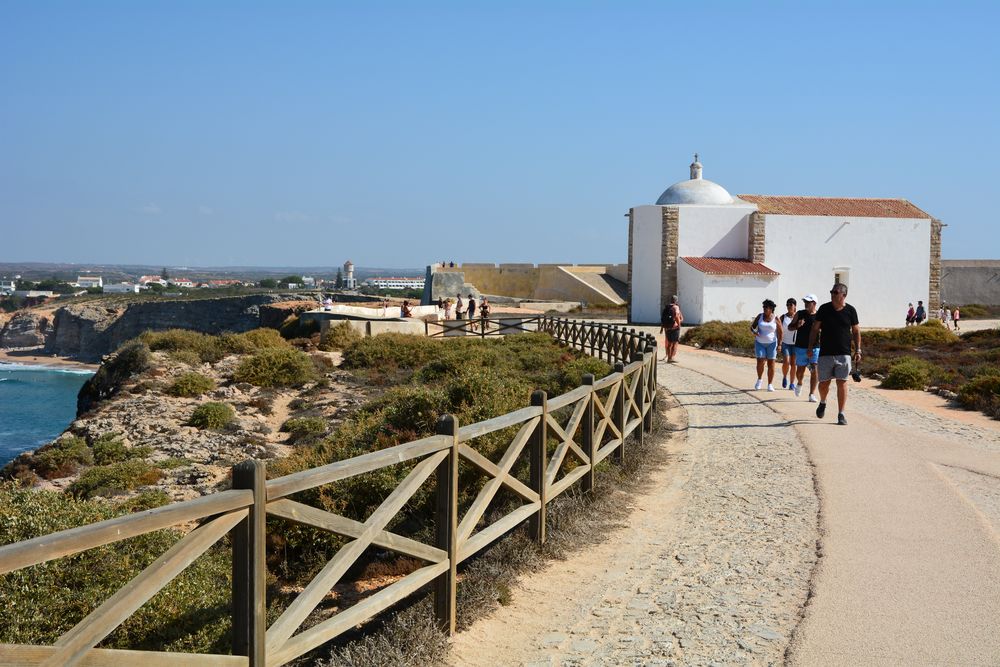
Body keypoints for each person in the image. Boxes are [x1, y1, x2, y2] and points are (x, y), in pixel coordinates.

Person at [808, 283, 861, 426]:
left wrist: (858, 350)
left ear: (844, 295)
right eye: (831, 292)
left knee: (842, 382)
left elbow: (856, 331)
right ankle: (823, 402)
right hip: (825, 353)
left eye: (835, 292)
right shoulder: (824, 309)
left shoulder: (851, 311)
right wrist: (810, 347)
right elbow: (815, 329)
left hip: (844, 354)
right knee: (823, 384)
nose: (832, 294)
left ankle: (841, 414)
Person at [789, 294, 820, 402]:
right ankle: (800, 383)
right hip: (801, 346)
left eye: (808, 302)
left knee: (814, 370)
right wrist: (797, 325)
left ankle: (811, 394)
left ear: (814, 304)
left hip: (815, 347)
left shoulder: (819, 315)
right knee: (800, 371)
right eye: (805, 302)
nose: (806, 304)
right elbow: (790, 327)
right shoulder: (800, 314)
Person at [751, 299, 783, 391]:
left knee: (771, 364)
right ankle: (759, 380)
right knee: (760, 362)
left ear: (771, 309)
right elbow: (752, 327)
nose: (764, 309)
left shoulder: (776, 318)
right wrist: (754, 331)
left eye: (766, 307)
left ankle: (770, 384)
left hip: (772, 344)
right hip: (759, 342)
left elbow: (780, 332)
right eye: (763, 307)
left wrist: (780, 344)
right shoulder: (760, 316)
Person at [779, 298, 798, 390]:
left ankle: (792, 383)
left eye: (791, 304)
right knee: (786, 361)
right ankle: (784, 376)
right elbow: (778, 330)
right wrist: (778, 343)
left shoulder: (798, 316)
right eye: (788, 304)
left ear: (795, 306)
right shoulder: (783, 317)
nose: (789, 306)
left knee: (794, 364)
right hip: (785, 343)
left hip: (795, 343)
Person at [660, 295, 683, 363]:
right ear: (676, 300)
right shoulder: (675, 307)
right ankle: (671, 358)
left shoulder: (667, 307)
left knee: (669, 343)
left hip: (667, 327)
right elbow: (676, 316)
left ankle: (668, 357)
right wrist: (679, 325)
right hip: (674, 327)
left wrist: (662, 328)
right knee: (675, 342)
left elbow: (663, 319)